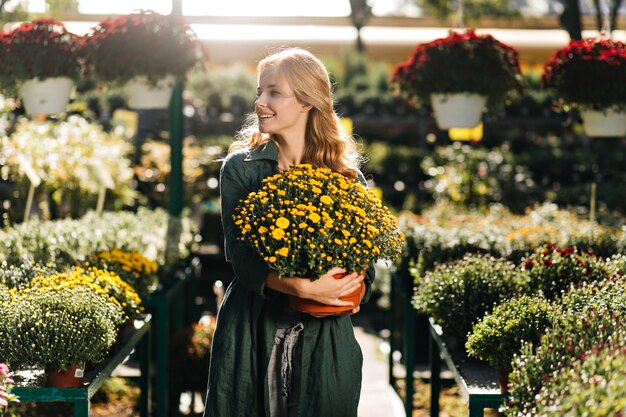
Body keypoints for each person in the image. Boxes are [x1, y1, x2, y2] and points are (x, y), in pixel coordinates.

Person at [203, 47, 375, 417]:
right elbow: (241, 258)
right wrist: (298, 287)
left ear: (306, 102)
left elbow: (367, 268)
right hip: (252, 330)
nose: (260, 102)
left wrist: (349, 288)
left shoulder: (347, 178)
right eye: (260, 92)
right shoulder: (242, 169)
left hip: (326, 338)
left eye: (274, 93)